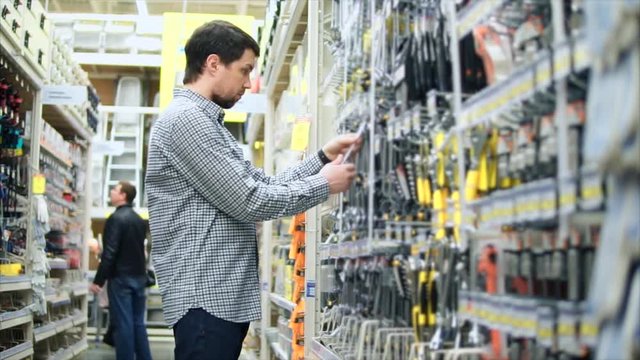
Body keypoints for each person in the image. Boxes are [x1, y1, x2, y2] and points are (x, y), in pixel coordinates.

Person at [146, 20, 359, 360]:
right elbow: (251, 201)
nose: (248, 83)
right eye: (244, 71)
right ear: (213, 64)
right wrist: (324, 184)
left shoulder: (207, 124)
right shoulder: (187, 121)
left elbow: (262, 184)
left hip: (216, 301)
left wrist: (322, 158)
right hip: (205, 301)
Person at [90, 182, 152, 360]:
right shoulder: (139, 220)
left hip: (121, 279)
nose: (111, 191)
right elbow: (141, 251)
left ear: (123, 195)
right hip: (139, 278)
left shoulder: (116, 219)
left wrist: (98, 281)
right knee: (138, 323)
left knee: (123, 325)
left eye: (115, 190)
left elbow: (110, 253)